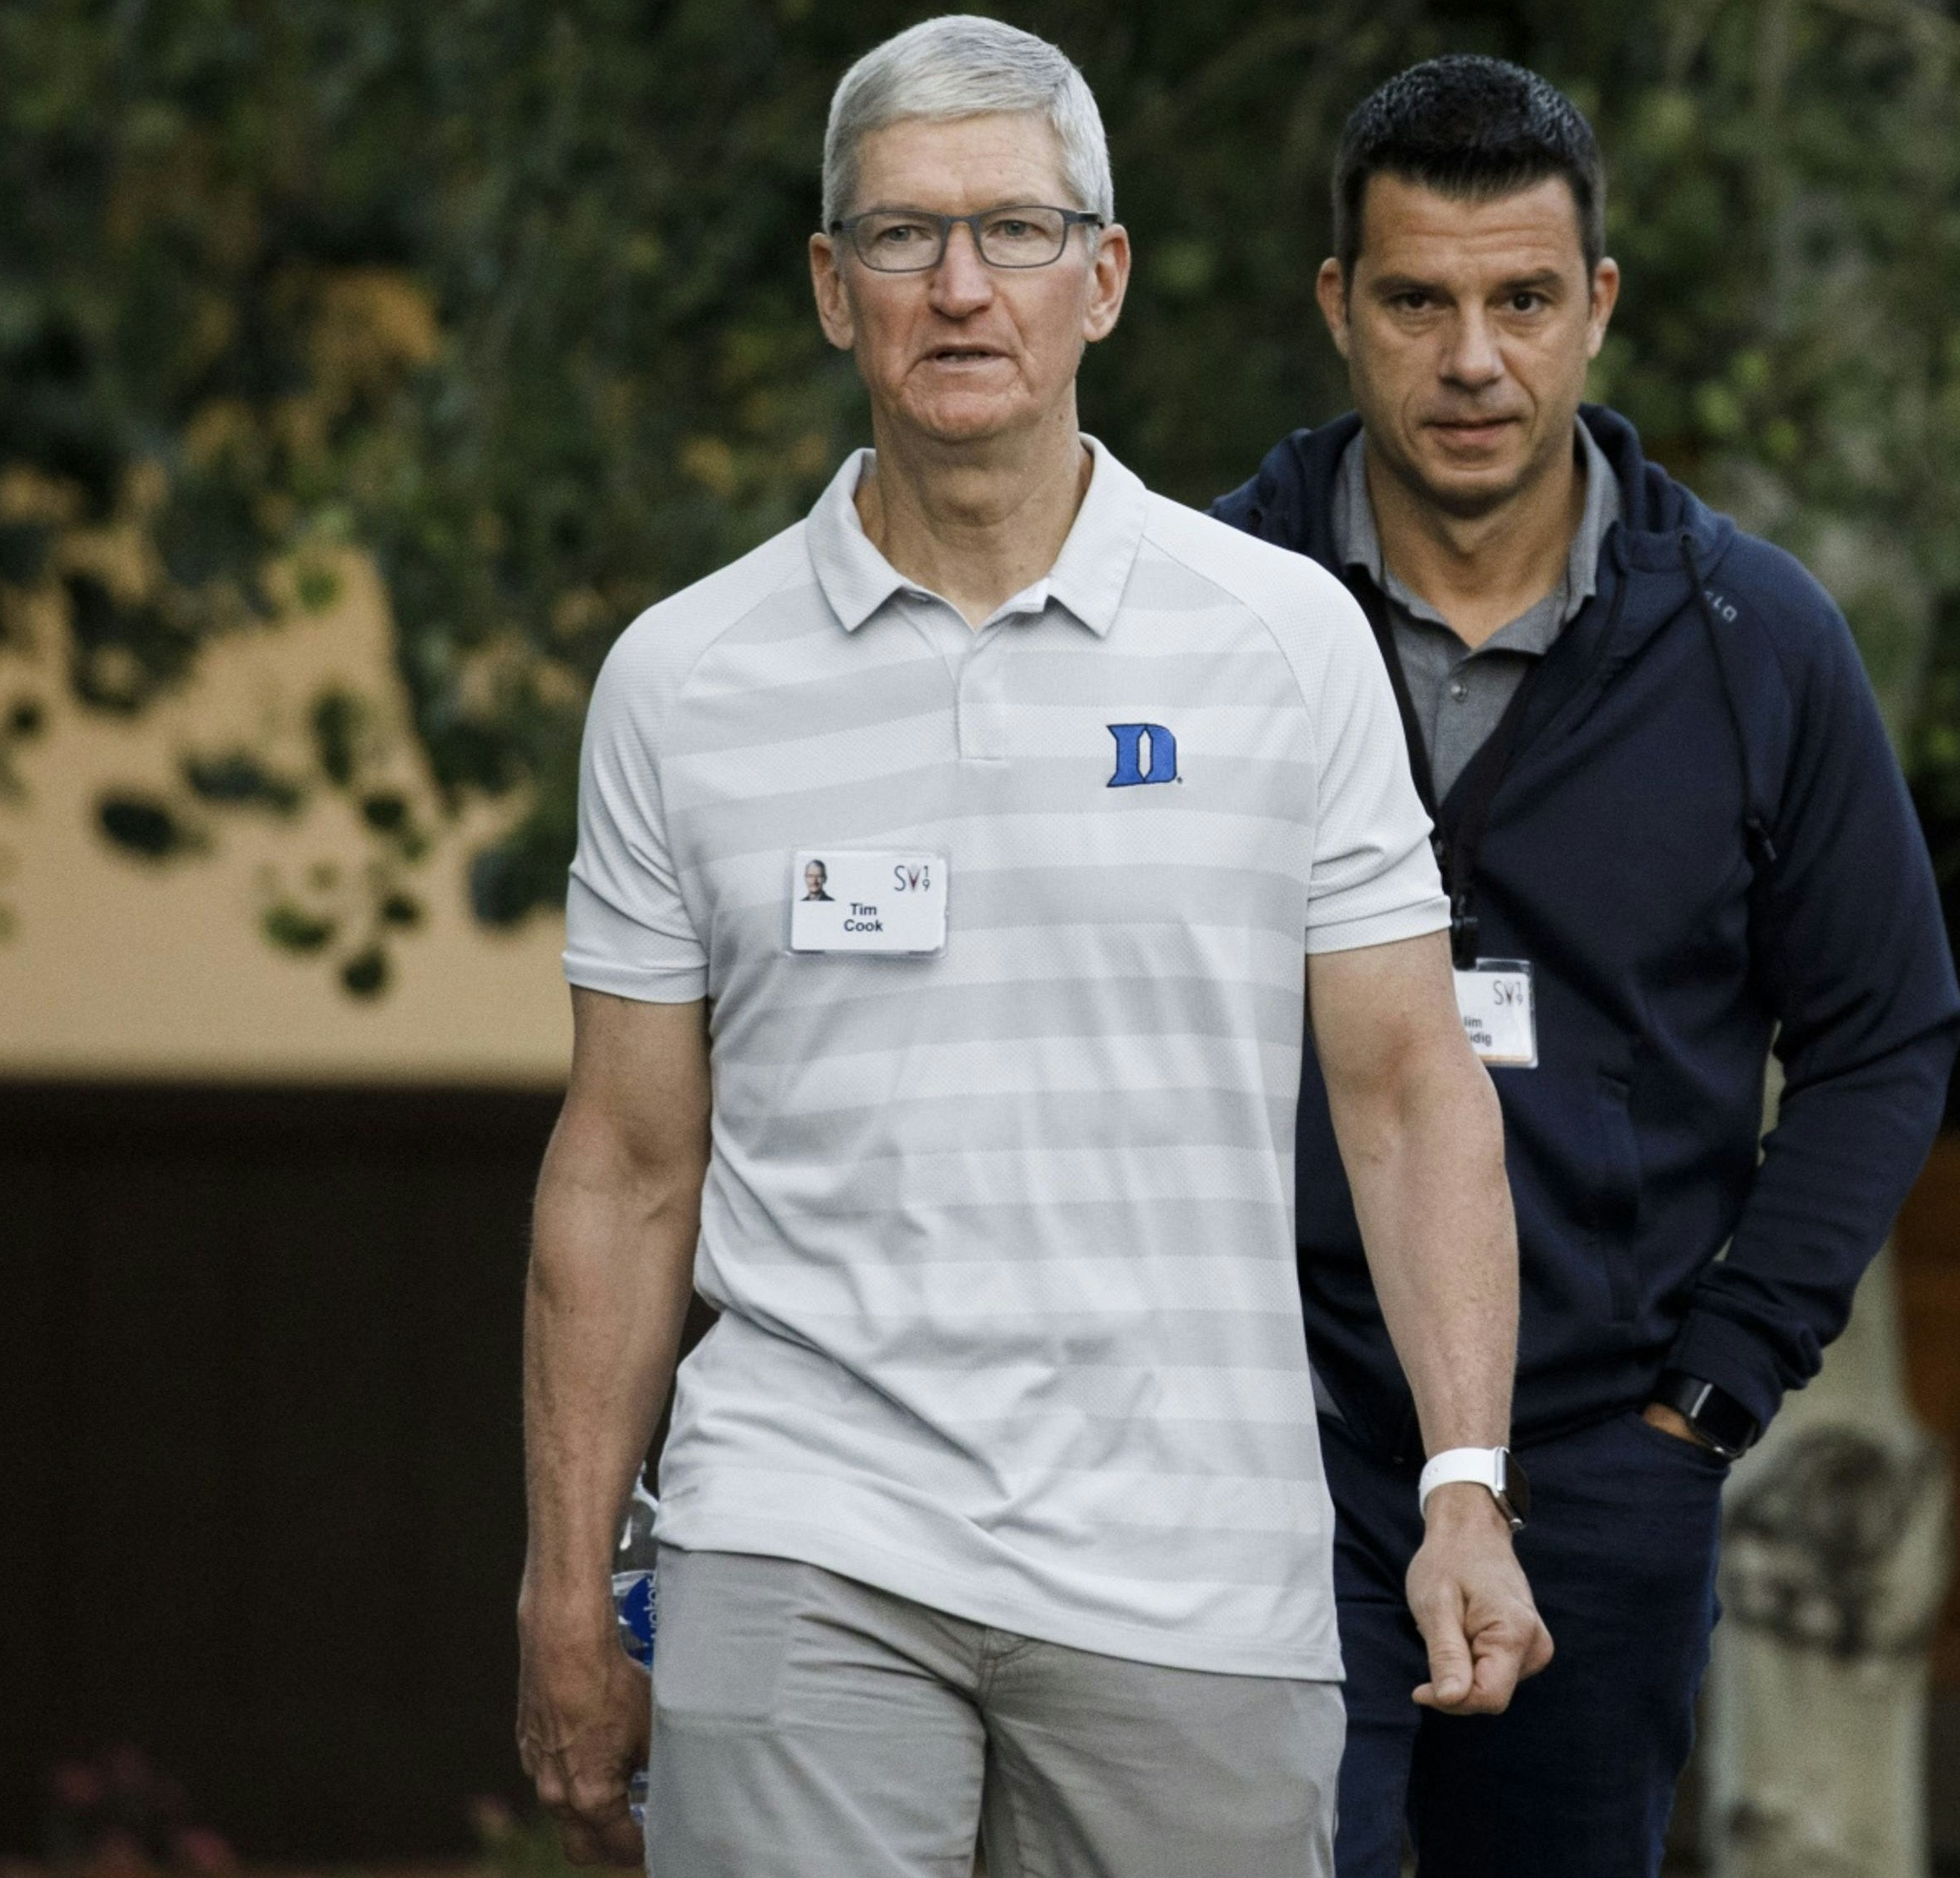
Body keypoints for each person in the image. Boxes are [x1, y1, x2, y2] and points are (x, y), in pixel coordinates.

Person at [513, 19, 1550, 1878]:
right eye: (903, 240)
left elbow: (1408, 1090)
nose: (962, 287)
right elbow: (624, 1160)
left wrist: (1463, 1483)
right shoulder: (682, 678)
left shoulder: (1284, 640)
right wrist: (567, 1583)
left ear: (1106, 275)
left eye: (1014, 229)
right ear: (834, 291)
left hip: (1193, 1569)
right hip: (799, 1531)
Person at [1215, 56, 1960, 1878]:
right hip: (1258, 1450)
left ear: (1596, 307)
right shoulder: (1200, 614)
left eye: (1522, 300)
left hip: (1601, 1461)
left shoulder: (1752, 636)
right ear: (1339, 309)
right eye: (1417, 300)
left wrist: (1711, 1389)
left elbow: (1884, 1032)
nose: (1473, 357)